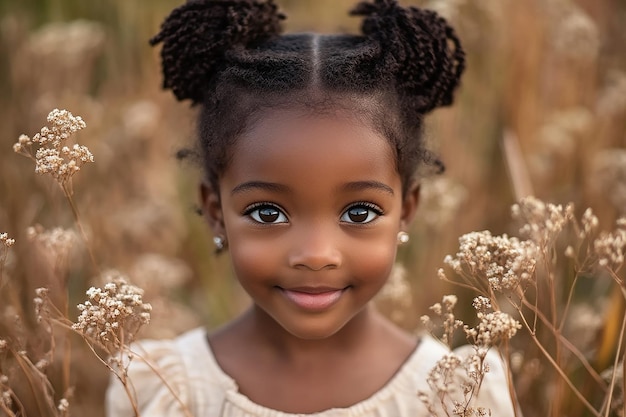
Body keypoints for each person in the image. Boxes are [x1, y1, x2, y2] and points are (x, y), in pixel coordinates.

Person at [107, 0, 517, 415]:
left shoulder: (459, 393)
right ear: (214, 210)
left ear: (407, 210)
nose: (317, 254)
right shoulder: (164, 389)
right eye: (268, 213)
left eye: (359, 213)